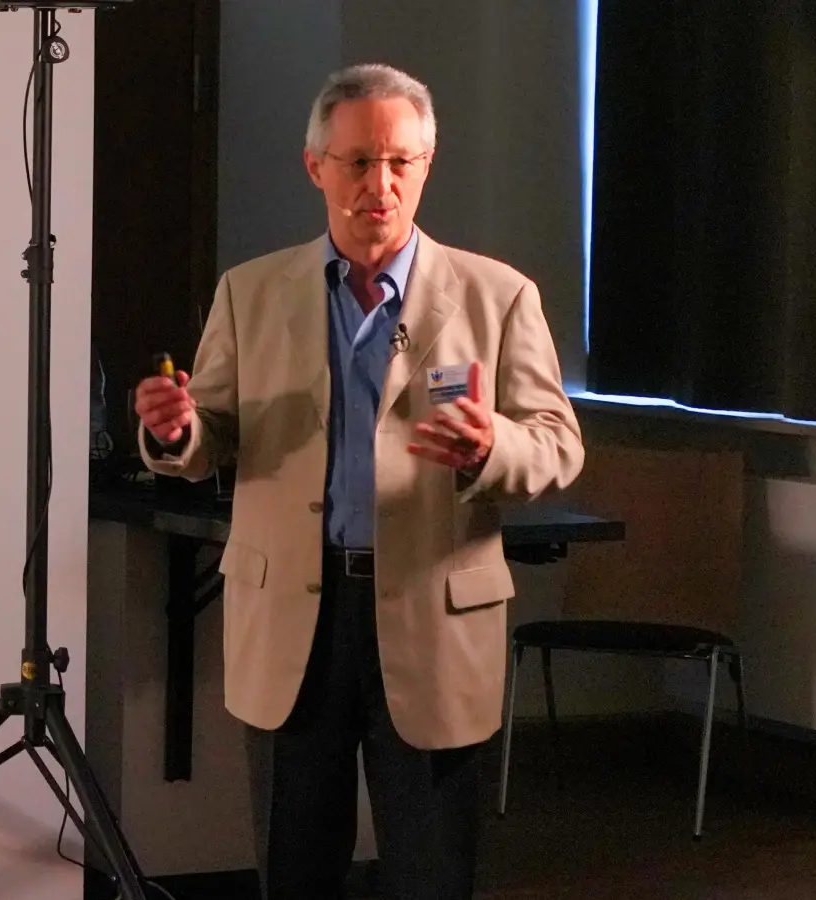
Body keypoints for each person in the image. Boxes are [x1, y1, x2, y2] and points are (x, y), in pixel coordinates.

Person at [134, 63, 584, 900]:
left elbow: (558, 446)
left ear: (426, 165)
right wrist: (177, 430)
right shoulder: (251, 292)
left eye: (400, 163)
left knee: (431, 872)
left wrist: (491, 448)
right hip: (296, 617)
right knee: (297, 868)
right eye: (357, 162)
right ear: (316, 167)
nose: (380, 185)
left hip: (432, 611)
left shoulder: (498, 295)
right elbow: (212, 433)